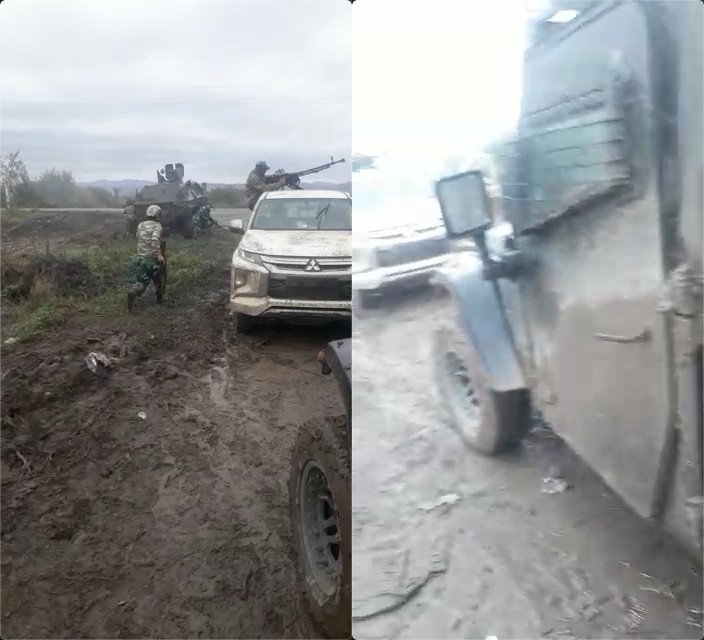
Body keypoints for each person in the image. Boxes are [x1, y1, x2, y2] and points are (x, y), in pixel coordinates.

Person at [126, 204, 165, 313]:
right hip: (151, 259)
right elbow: (154, 241)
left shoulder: (141, 225)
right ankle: (159, 301)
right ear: (158, 215)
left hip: (140, 258)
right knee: (158, 279)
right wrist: (159, 255)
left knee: (141, 282)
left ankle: (133, 292)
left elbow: (138, 237)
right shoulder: (157, 226)